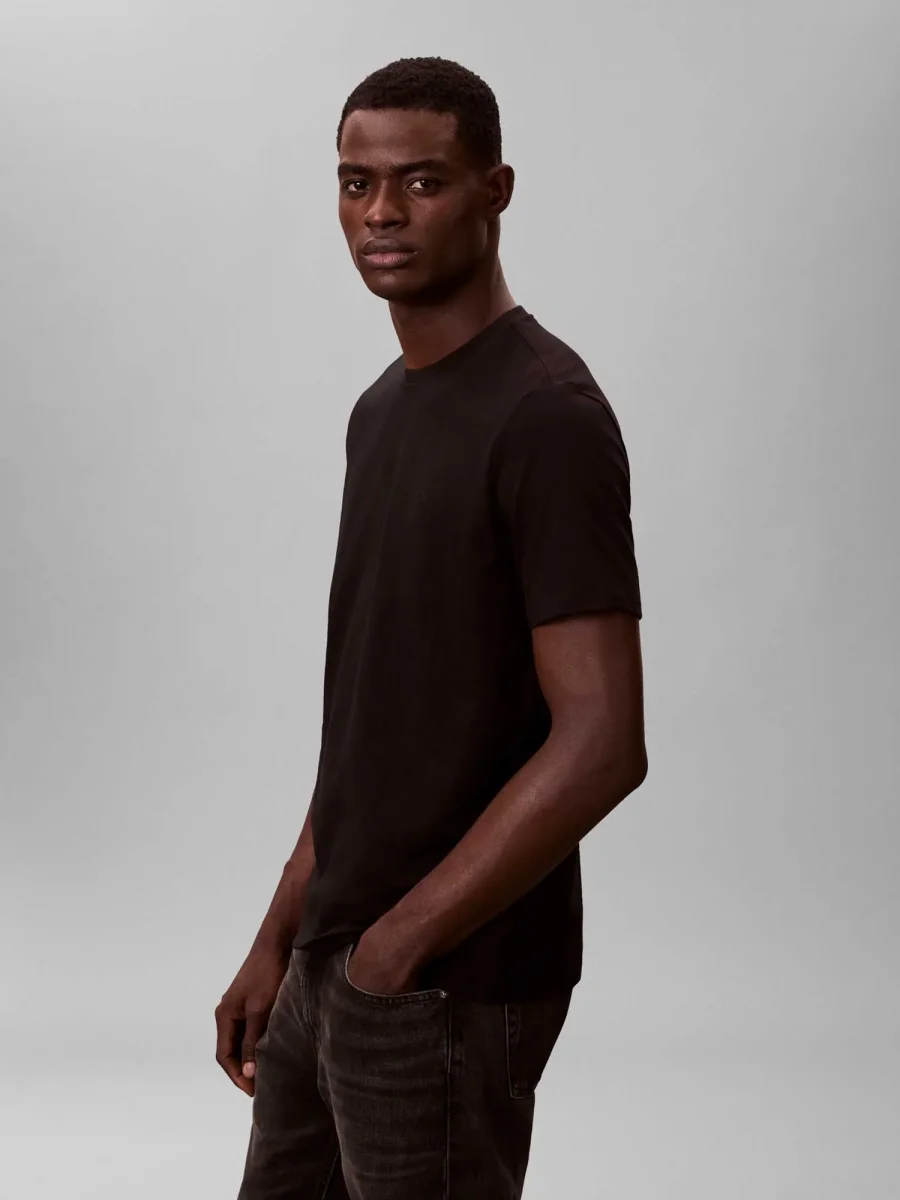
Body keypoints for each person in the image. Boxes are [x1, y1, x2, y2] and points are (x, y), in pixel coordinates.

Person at [217, 55, 648, 1199]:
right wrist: (281, 936)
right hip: (336, 959)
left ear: (495, 191)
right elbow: (375, 728)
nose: (381, 214)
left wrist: (398, 949)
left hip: (448, 979)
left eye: (421, 182)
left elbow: (604, 742)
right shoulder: (381, 411)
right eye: (356, 183)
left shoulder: (547, 417)